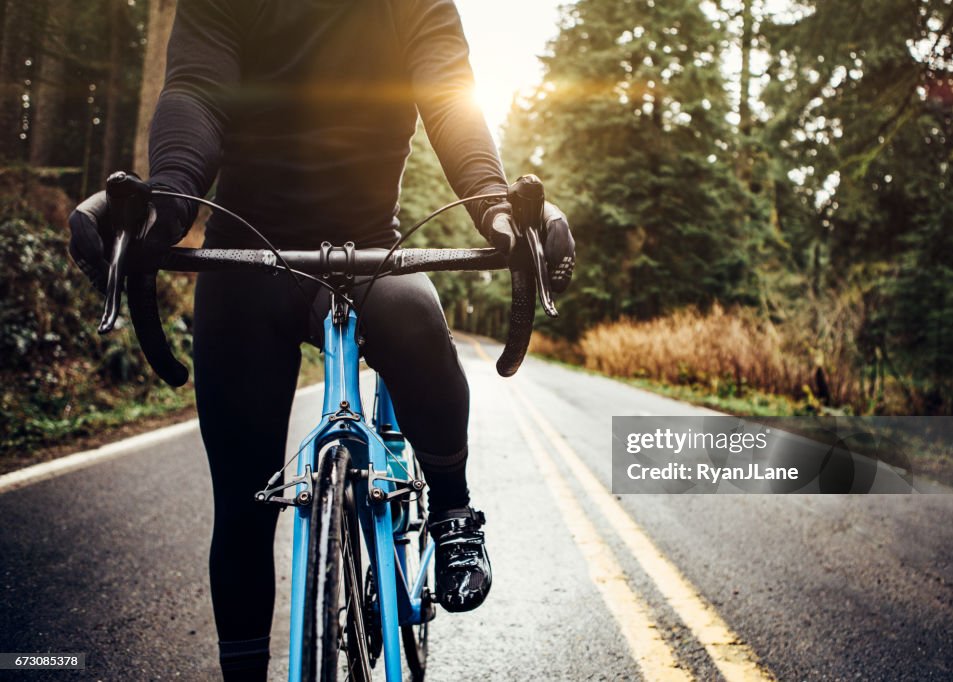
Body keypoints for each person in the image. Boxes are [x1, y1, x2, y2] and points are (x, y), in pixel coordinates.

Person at [67, 1, 575, 679]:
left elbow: (448, 93)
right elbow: (196, 94)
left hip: (371, 247)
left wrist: (491, 202)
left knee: (420, 325)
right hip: (247, 252)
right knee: (243, 512)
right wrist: (167, 204)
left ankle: (452, 509)